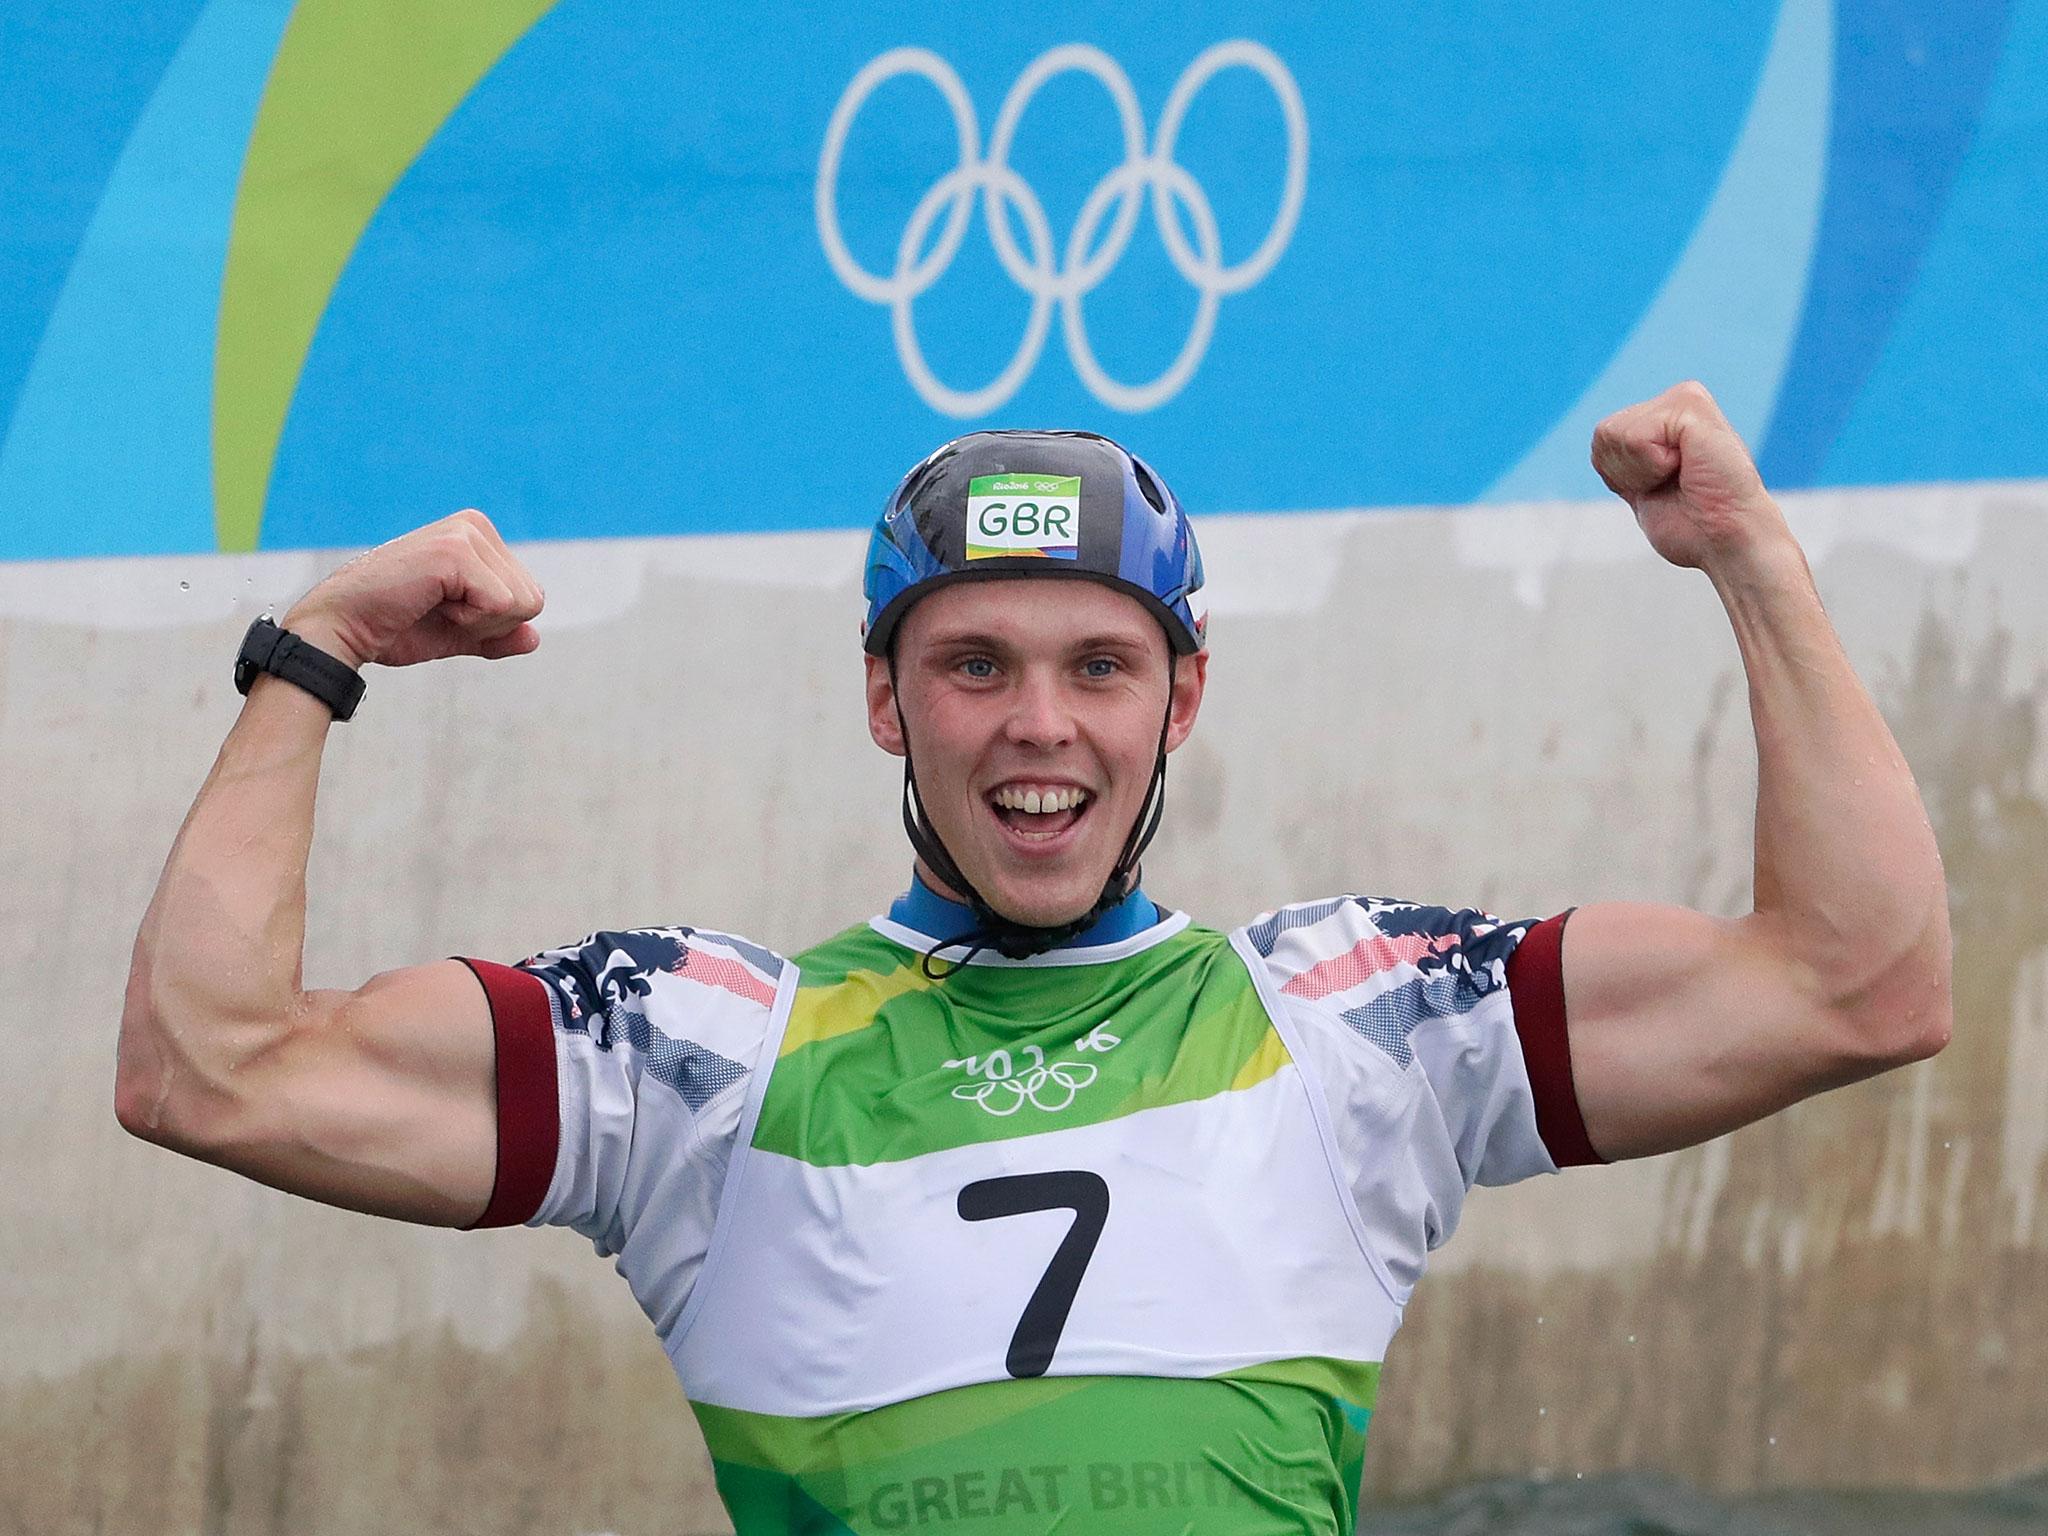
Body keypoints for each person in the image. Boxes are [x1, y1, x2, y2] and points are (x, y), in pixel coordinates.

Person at [116, 383, 1950, 1535]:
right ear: (882, 702)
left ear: (1186, 699)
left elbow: (1856, 984)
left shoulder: (1356, 1020)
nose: (1035, 726)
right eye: (971, 665)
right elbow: (215, 1071)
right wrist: (322, 649)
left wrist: (1749, 559)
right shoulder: (700, 1050)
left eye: (1099, 666)